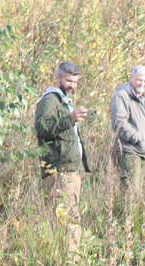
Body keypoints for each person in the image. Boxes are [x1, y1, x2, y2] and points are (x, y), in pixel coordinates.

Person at [35, 61, 91, 250]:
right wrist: (70, 119)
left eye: (75, 82)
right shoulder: (50, 99)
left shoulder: (64, 100)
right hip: (59, 172)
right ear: (58, 78)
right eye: (69, 81)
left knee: (72, 220)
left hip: (70, 172)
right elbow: (42, 128)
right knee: (66, 223)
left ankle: (70, 264)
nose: (72, 86)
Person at [109, 65, 145, 200]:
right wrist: (138, 138)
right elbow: (119, 122)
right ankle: (126, 220)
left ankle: (133, 220)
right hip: (129, 151)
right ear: (131, 78)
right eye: (139, 80)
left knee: (138, 195)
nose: (142, 84)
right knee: (130, 193)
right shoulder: (122, 96)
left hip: (142, 153)